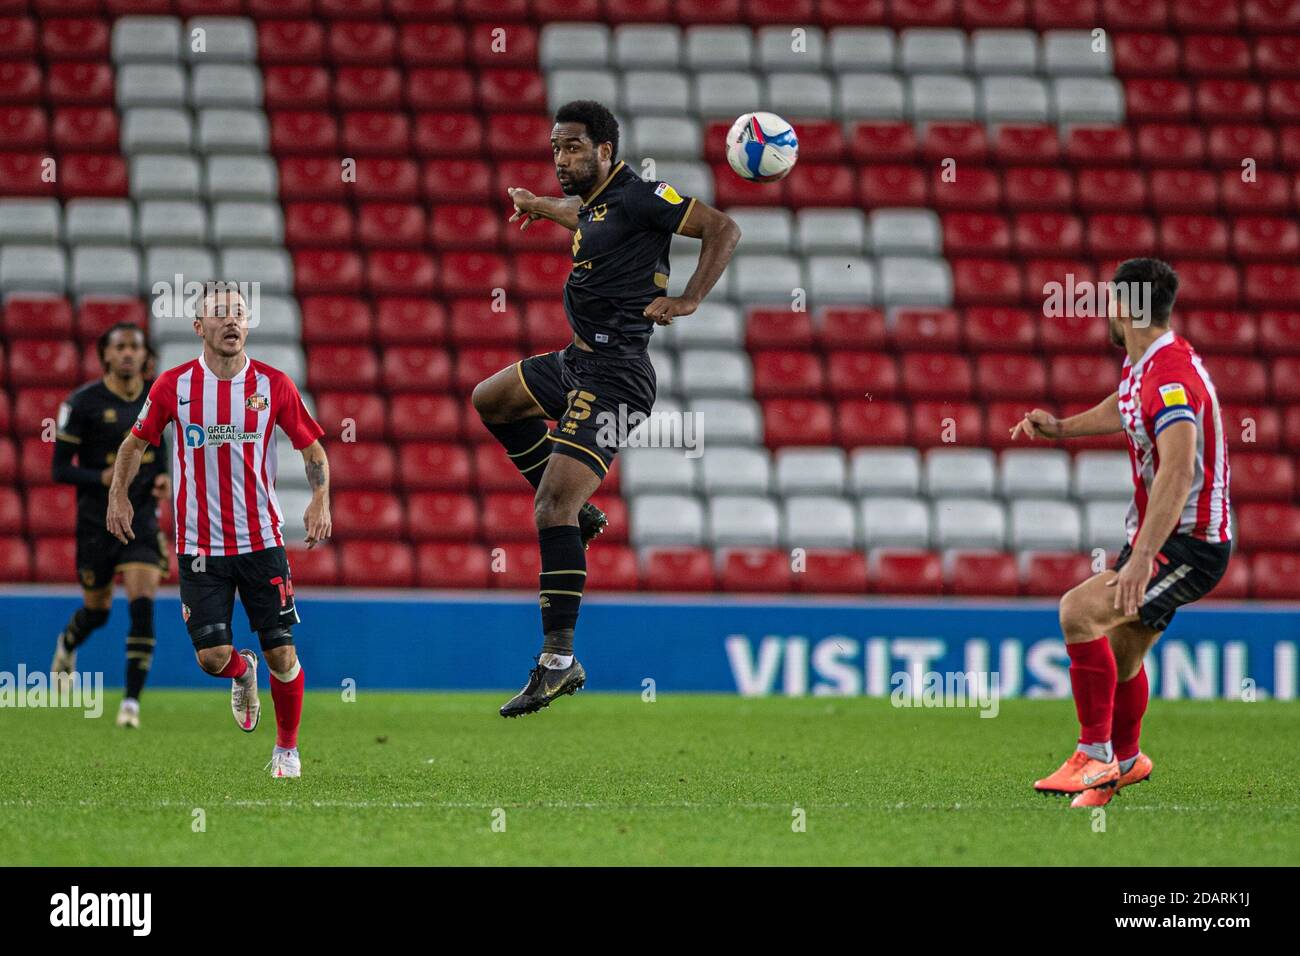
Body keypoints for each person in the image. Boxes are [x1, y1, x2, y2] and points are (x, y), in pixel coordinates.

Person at [473, 99, 740, 717]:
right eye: (555, 149)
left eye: (572, 147)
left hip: (616, 377)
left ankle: (559, 662)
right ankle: (583, 518)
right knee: (492, 400)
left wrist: (689, 297)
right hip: (576, 362)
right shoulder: (597, 203)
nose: (561, 159)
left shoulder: (646, 195)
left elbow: (724, 228)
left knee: (550, 508)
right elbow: (586, 215)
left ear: (604, 150)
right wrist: (541, 207)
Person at [1011, 258, 1232, 807]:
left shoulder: (1172, 377)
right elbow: (1125, 405)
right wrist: (1061, 428)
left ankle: (1093, 756)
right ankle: (1127, 761)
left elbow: (1179, 472)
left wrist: (1141, 559)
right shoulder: (1146, 364)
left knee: (1079, 611)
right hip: (1163, 540)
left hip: (1190, 545)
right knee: (1124, 650)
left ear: (1125, 308)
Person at [107, 285, 332, 777]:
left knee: (282, 651)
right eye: (218, 314)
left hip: (262, 542)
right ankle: (238, 671)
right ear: (199, 328)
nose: (231, 321)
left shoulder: (273, 384)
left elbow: (312, 450)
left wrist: (320, 498)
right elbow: (134, 443)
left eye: (238, 313)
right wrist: (118, 493)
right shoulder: (174, 385)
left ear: (247, 325)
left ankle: (287, 750)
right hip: (199, 545)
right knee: (212, 657)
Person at [51, 322, 170, 729]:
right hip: (95, 522)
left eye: (134, 347)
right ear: (104, 355)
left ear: (144, 356)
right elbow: (59, 469)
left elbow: (162, 444)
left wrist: (163, 476)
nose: (127, 354)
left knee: (142, 602)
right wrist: (100, 480)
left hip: (140, 518)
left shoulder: (157, 396)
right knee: (98, 610)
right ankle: (68, 643)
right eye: (119, 347)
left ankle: (131, 704)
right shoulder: (81, 404)